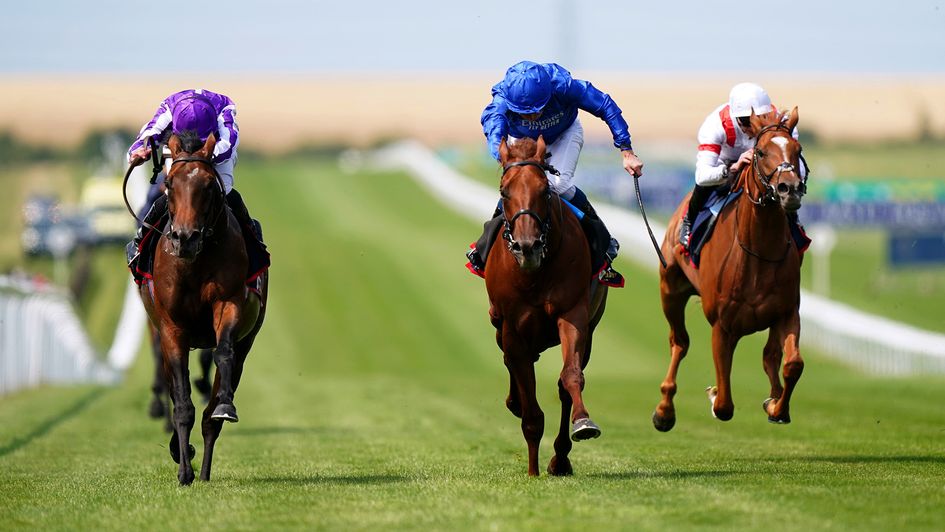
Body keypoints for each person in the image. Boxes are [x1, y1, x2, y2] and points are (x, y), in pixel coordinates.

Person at [466, 61, 644, 286]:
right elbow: (494, 130)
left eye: (536, 110)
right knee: (518, 186)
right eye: (524, 113)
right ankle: (483, 249)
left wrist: (626, 149)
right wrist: (506, 159)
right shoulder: (502, 100)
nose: (532, 118)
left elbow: (604, 105)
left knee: (558, 185)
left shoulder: (563, 86)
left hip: (564, 134)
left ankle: (602, 241)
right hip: (521, 141)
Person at [125, 88, 261, 270]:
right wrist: (138, 151)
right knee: (170, 193)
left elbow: (228, 143)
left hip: (214, 151)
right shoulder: (170, 106)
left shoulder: (224, 106)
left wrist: (202, 156)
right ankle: (140, 243)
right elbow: (150, 132)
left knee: (226, 192)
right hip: (180, 150)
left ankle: (255, 245)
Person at [680, 82, 807, 250]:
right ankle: (689, 220)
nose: (752, 127)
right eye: (746, 121)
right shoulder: (714, 126)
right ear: (735, 117)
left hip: (763, 161)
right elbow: (702, 176)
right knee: (706, 186)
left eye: (758, 119)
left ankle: (793, 218)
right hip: (725, 162)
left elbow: (797, 165)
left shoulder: (782, 123)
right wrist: (732, 168)